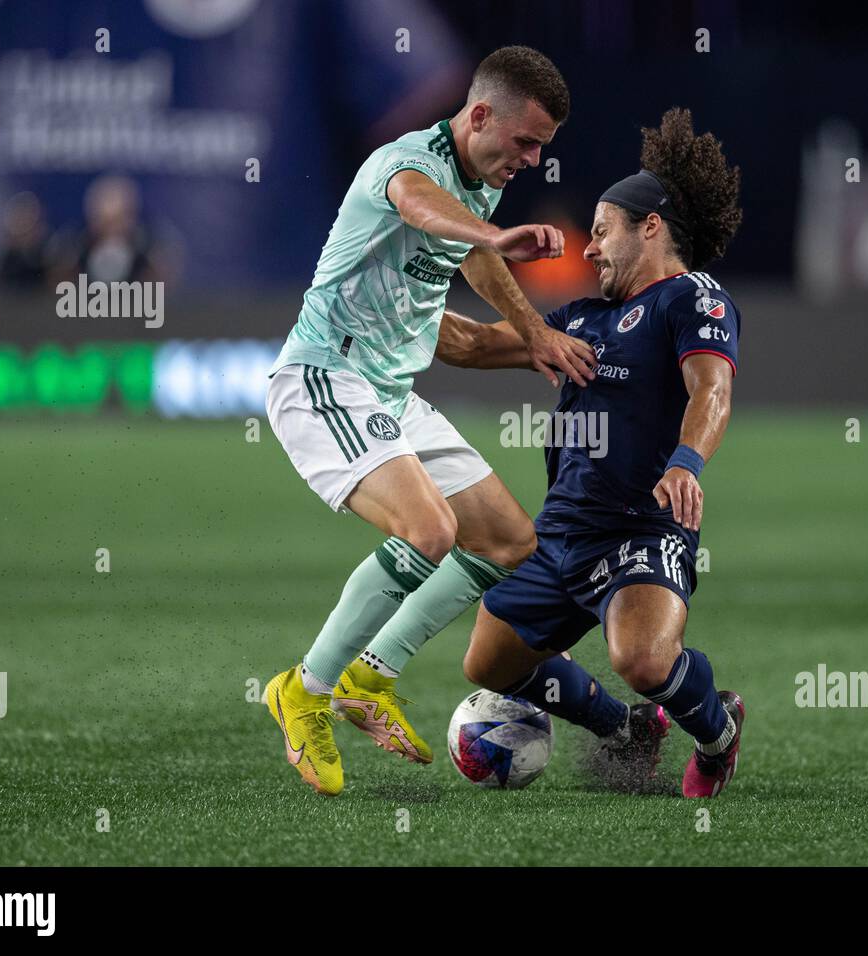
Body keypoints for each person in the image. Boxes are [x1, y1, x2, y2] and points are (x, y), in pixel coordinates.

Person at [263, 46, 597, 797]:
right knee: (431, 530)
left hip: (389, 395)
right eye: (525, 142)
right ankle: (304, 691)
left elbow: (471, 259)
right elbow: (421, 205)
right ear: (480, 116)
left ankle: (366, 673)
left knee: (509, 541)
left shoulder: (476, 188)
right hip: (326, 379)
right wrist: (490, 237)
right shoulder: (407, 162)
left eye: (542, 147)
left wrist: (537, 334)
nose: (533, 159)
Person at [444, 108, 747, 797]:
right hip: (561, 537)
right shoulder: (580, 319)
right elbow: (468, 344)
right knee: (487, 663)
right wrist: (378, 305)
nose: (590, 247)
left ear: (651, 227)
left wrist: (686, 463)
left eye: (603, 231)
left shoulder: (691, 298)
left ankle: (718, 732)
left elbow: (712, 390)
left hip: (642, 528)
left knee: (640, 658)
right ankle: (626, 727)